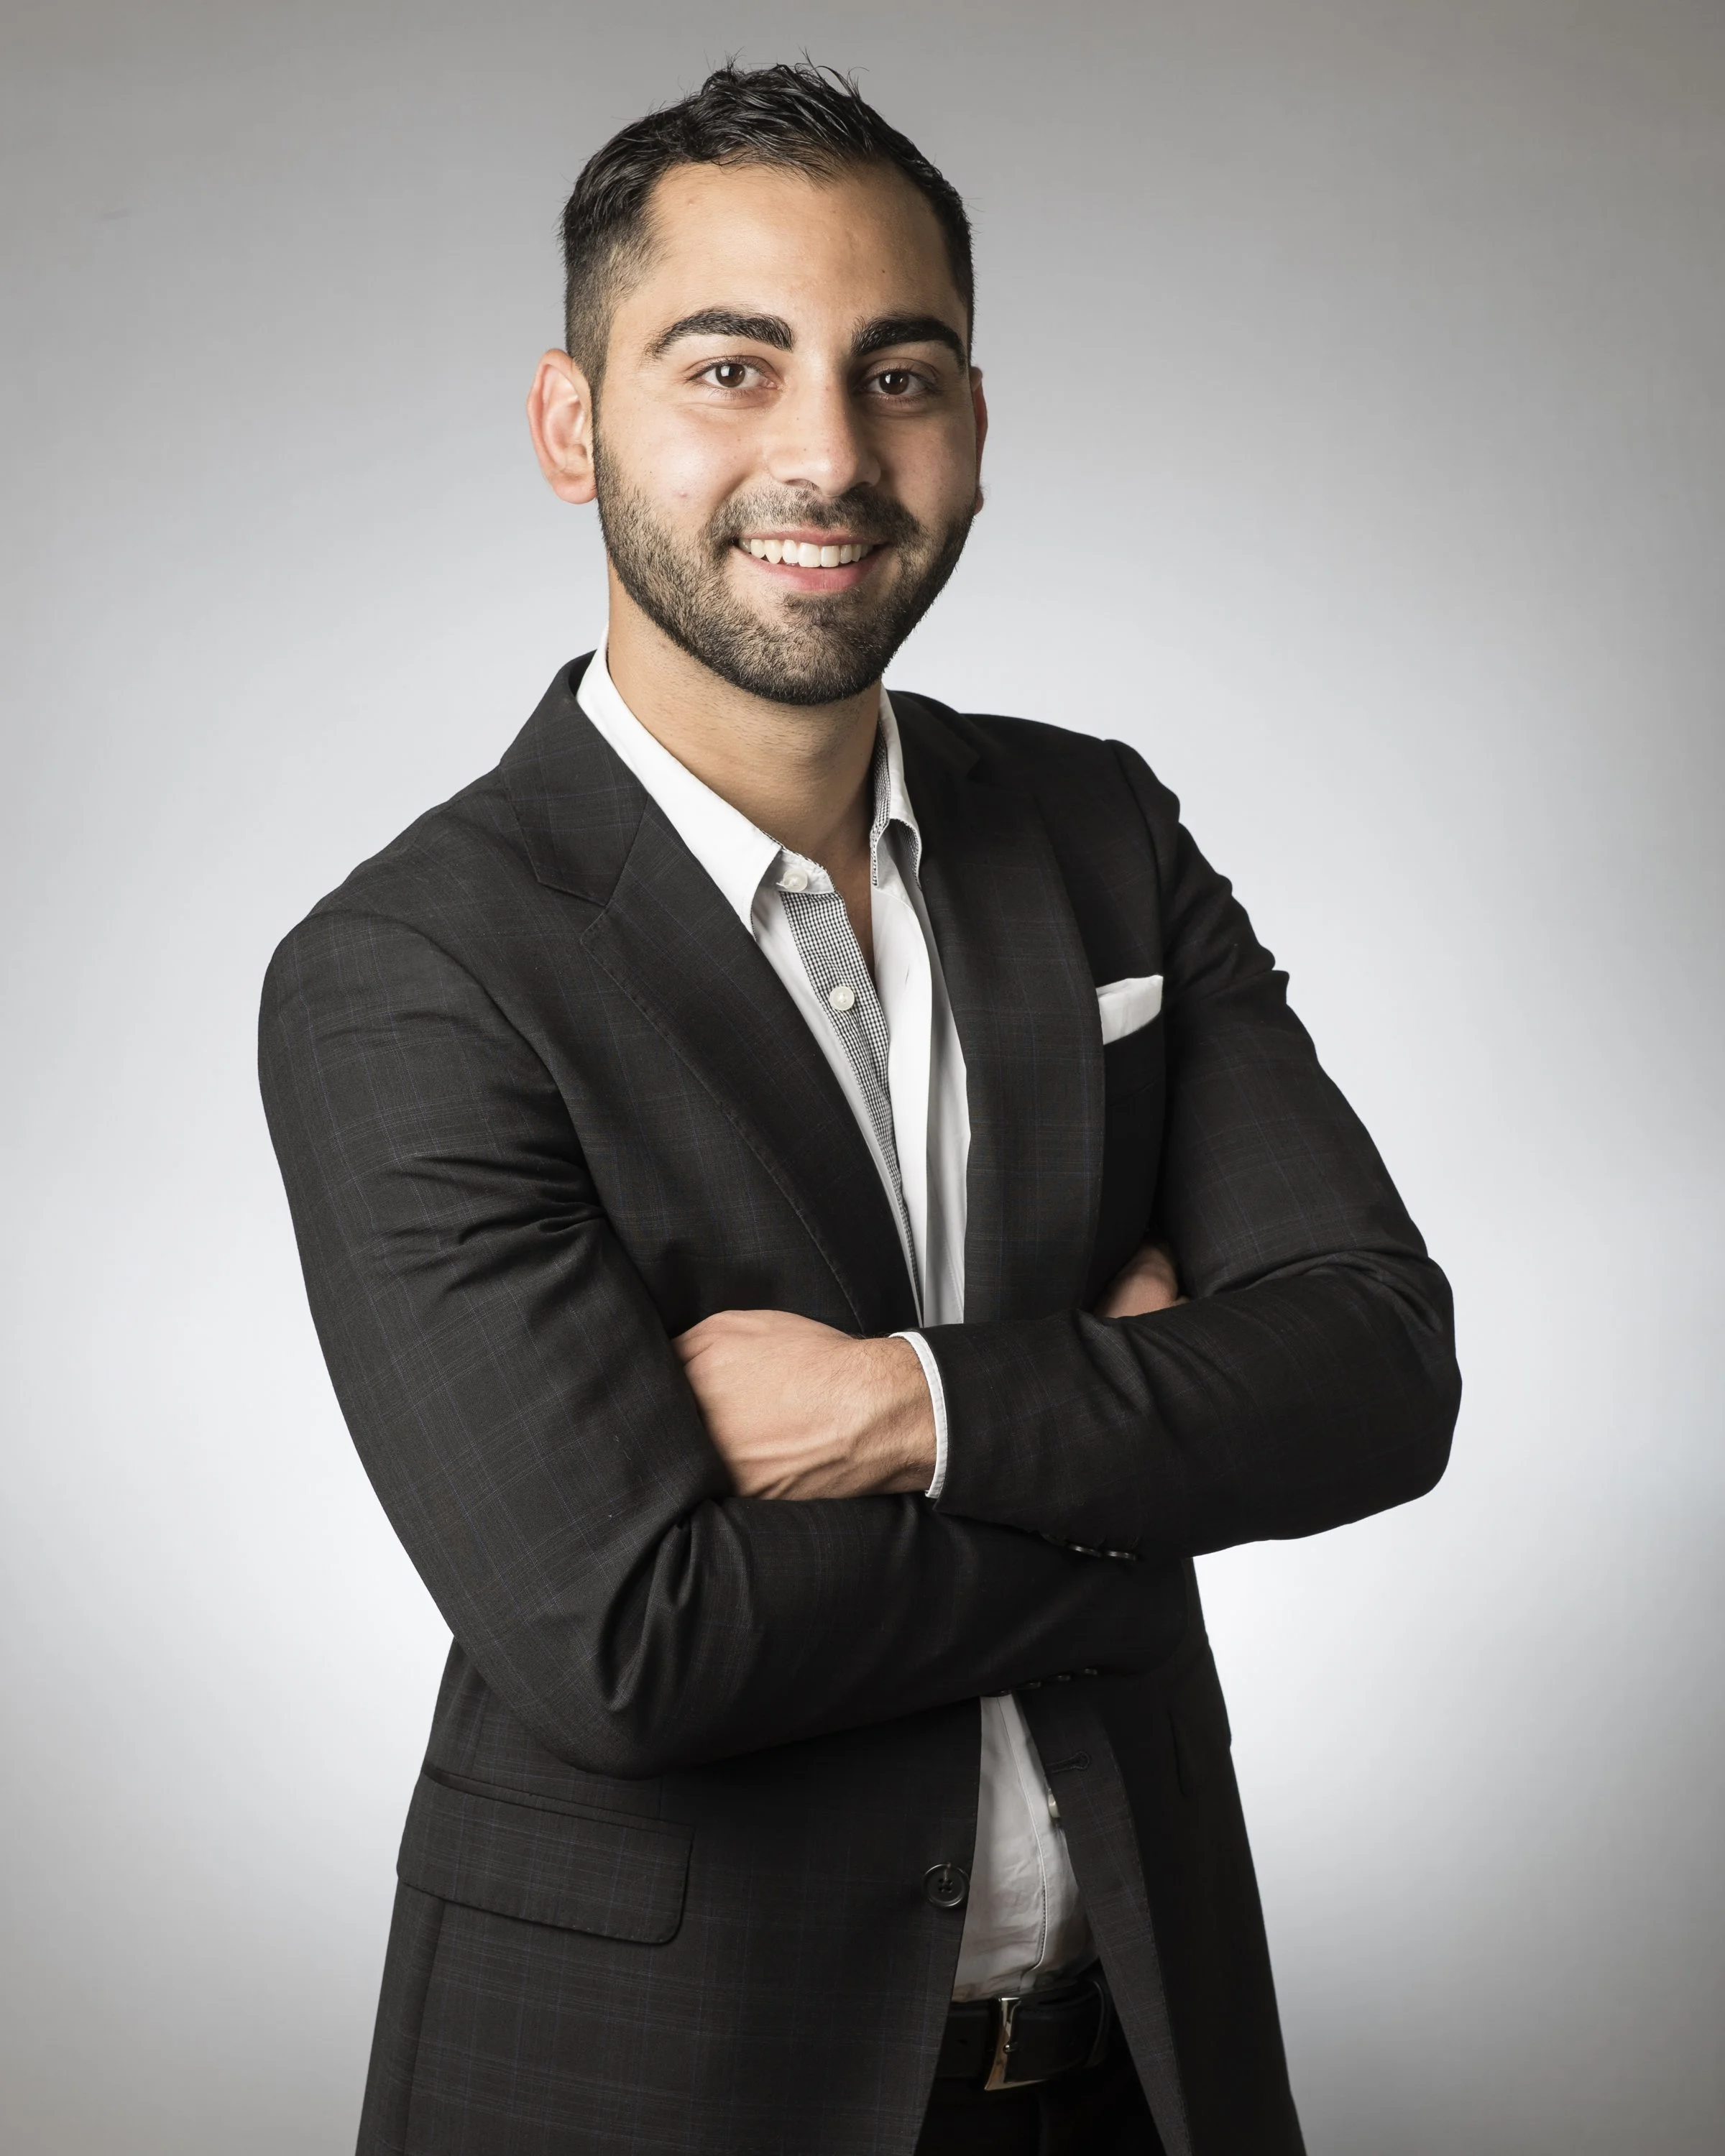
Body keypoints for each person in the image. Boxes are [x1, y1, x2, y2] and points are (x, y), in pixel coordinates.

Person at [259, 60, 1460, 2156]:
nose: (825, 453)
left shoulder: (1097, 830)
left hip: (1133, 2063)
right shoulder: (413, 968)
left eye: (897, 371)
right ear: (573, 426)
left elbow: (1377, 1371)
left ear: (975, 427)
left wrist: (909, 1412)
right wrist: (1142, 1451)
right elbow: (635, 1638)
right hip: (657, 2089)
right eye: (731, 366)